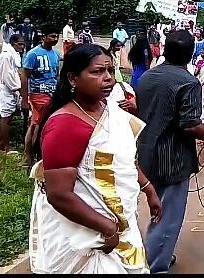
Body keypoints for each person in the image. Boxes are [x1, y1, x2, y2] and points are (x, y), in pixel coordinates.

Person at [28, 43, 161, 274]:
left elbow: (122, 160)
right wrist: (107, 228)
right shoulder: (66, 123)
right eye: (97, 72)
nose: (108, 78)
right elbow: (58, 194)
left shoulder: (109, 110)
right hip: (88, 238)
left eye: (109, 70)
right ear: (73, 78)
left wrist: (148, 189)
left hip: (119, 226)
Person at [135, 30, 204, 273]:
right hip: (172, 158)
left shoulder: (147, 76)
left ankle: (157, 254)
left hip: (146, 154)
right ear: (191, 54)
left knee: (156, 208)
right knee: (168, 216)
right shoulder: (188, 82)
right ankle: (157, 266)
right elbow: (190, 124)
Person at [21, 27, 60, 167]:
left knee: (39, 124)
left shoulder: (56, 54)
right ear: (43, 37)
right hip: (38, 94)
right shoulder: (33, 54)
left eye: (56, 36)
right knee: (37, 124)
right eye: (52, 36)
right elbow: (25, 77)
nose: (55, 39)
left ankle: (37, 155)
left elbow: (56, 76)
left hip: (52, 94)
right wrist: (24, 100)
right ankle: (29, 156)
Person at [0, 34, 25, 151]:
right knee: (6, 117)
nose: (22, 46)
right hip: (7, 90)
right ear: (13, 43)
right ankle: (5, 145)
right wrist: (20, 90)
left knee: (10, 117)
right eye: (19, 44)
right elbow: (7, 76)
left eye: (23, 44)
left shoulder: (13, 55)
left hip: (13, 89)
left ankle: (1, 143)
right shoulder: (6, 56)